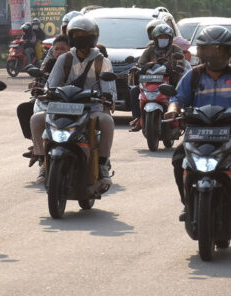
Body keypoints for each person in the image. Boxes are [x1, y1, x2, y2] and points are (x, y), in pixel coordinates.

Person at [166, 26, 231, 223]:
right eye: (210, 50)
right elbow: (177, 98)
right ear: (202, 52)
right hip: (197, 135)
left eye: (219, 50)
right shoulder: (193, 76)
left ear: (228, 51)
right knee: (179, 157)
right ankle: (188, 204)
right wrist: (173, 109)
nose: (215, 55)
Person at [30, 16, 116, 184]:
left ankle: (102, 164)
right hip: (65, 107)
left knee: (107, 122)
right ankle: (43, 162)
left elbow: (109, 88)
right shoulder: (65, 59)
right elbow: (51, 83)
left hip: (91, 108)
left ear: (91, 37)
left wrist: (107, 97)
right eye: (74, 34)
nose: (77, 38)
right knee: (36, 119)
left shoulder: (101, 61)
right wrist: (44, 91)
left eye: (81, 34)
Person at [130, 23, 186, 132]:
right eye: (160, 37)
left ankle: (181, 118)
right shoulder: (149, 50)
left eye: (166, 37)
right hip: (150, 80)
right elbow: (140, 63)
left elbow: (181, 62)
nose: (163, 39)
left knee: (180, 92)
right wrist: (137, 67)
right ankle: (138, 118)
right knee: (134, 91)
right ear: (155, 38)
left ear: (170, 39)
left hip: (171, 79)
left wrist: (176, 66)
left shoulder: (176, 49)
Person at [17, 35, 70, 142]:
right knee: (24, 108)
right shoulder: (48, 64)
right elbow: (41, 81)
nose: (59, 52)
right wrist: (35, 86)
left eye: (63, 49)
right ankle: (36, 143)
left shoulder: (74, 65)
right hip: (48, 100)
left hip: (69, 103)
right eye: (56, 49)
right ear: (52, 51)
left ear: (70, 50)